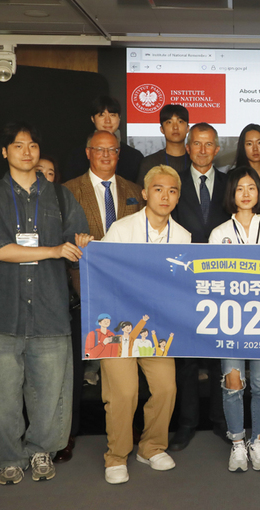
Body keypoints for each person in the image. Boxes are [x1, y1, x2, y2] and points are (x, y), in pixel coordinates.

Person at [0, 122, 90, 485]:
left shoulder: (62, 197)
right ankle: (8, 455)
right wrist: (53, 249)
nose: (26, 151)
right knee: (1, 394)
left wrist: (81, 243)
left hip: (50, 311)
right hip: (1, 311)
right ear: (4, 152)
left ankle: (41, 450)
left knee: (50, 391)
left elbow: (76, 245)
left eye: (33, 145)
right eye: (18, 145)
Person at [98, 164, 191, 484]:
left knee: (166, 387)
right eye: (158, 189)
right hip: (119, 326)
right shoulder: (122, 230)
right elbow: (102, 275)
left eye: (172, 190)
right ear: (144, 193)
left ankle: (151, 447)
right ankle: (116, 455)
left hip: (158, 327)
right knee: (124, 392)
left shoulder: (183, 237)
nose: (165, 196)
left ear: (178, 197)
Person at [63, 129, 145, 461]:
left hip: (126, 293)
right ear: (88, 153)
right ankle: (66, 434)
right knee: (71, 368)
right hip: (81, 288)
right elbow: (62, 236)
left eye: (112, 150)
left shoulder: (133, 191)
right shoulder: (68, 190)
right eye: (100, 150)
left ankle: (130, 427)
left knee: (126, 368)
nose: (107, 155)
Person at [209, 166, 260, 472]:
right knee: (232, 384)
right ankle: (238, 443)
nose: (245, 193)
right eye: (239, 188)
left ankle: (259, 441)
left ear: (259, 193)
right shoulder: (220, 234)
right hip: (229, 320)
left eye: (251, 188)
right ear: (232, 194)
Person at [170, 122, 230, 450]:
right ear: (188, 147)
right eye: (197, 144)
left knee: (220, 354)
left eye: (209, 144)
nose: (203, 150)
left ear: (217, 149)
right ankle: (187, 424)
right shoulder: (173, 183)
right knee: (187, 357)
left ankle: (221, 421)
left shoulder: (230, 183)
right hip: (185, 280)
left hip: (223, 280)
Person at [64, 95, 145, 183]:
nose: (107, 121)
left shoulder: (134, 157)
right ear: (92, 119)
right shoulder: (76, 156)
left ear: (119, 118)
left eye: (112, 115)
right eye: (101, 115)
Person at [136, 104, 190, 185]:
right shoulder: (149, 163)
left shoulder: (196, 161)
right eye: (169, 122)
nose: (175, 127)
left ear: (188, 128)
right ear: (162, 129)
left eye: (180, 122)